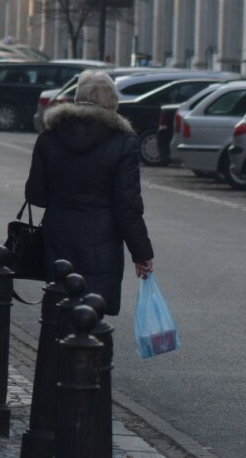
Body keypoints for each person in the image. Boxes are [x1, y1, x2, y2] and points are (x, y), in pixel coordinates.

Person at [24, 70, 154, 316]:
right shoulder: (122, 141)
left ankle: (55, 353)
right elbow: (127, 205)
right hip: (101, 239)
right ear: (112, 100)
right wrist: (142, 253)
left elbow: (36, 196)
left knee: (59, 306)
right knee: (92, 313)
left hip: (58, 233)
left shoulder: (50, 135)